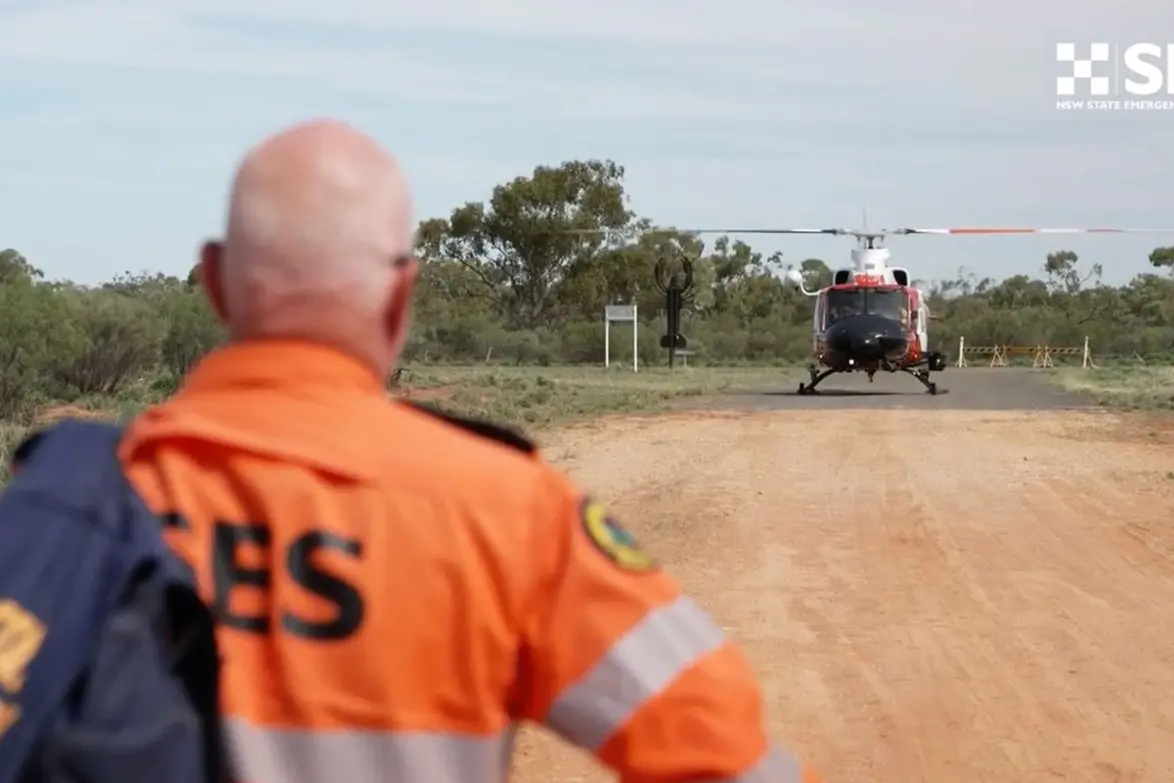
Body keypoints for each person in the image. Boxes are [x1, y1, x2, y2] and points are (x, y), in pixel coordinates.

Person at [115, 119, 821, 782]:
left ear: (212, 282)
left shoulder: (70, 510)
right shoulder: (509, 510)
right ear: (400, 297)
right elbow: (728, 757)